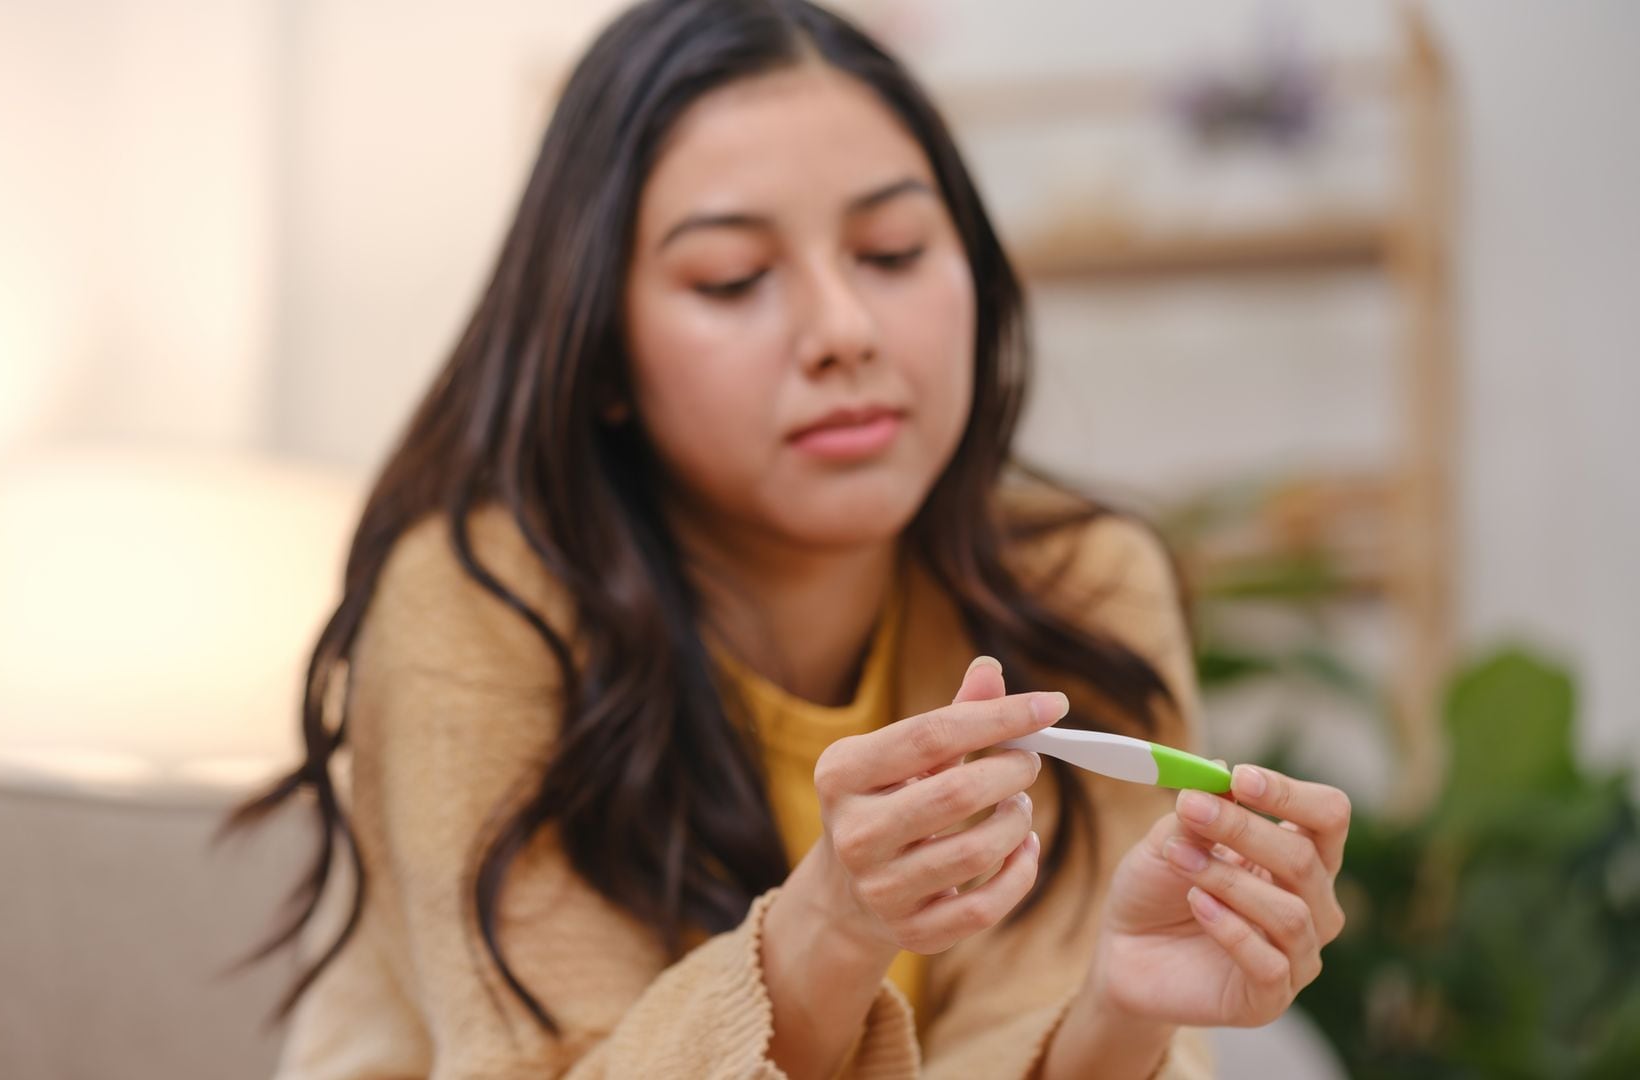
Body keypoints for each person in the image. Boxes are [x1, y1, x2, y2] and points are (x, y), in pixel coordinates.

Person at [224, 1, 1353, 1076]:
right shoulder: (477, 609)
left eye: (896, 252)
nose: (843, 332)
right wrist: (830, 926)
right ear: (604, 354)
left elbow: (1081, 1026)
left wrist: (1118, 1022)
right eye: (735, 278)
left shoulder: (1084, 586)